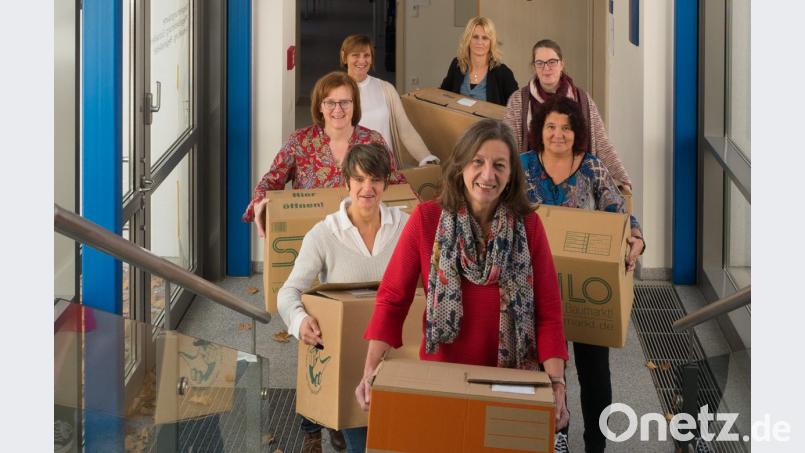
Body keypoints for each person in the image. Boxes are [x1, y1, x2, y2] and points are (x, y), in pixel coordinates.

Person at [355, 119, 571, 449]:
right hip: (445, 379)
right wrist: (370, 370)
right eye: (478, 162)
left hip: (509, 379)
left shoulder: (529, 226)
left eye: (499, 165)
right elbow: (393, 298)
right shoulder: (426, 219)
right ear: (460, 166)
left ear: (511, 174)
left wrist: (557, 383)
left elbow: (549, 313)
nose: (488, 175)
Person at [521, 95, 645, 453]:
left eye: (566, 128)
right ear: (539, 130)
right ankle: (556, 434)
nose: (558, 134)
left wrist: (636, 237)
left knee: (595, 376)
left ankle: (596, 443)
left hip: (584, 288)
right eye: (551, 127)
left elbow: (619, 212)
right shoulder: (522, 166)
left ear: (577, 133)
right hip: (536, 286)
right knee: (545, 372)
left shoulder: (592, 167)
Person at [277, 144, 407, 453]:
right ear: (346, 181)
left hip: (398, 357)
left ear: (386, 184)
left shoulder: (405, 227)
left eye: (375, 180)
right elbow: (288, 292)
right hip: (349, 365)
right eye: (359, 179)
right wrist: (299, 320)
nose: (367, 188)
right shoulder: (324, 234)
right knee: (362, 447)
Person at [242, 71, 405, 237]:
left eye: (345, 102)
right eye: (330, 102)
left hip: (362, 235)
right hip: (311, 234)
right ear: (320, 106)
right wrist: (260, 204)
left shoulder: (373, 140)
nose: (338, 109)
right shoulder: (300, 141)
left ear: (355, 105)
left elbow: (398, 184)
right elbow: (270, 181)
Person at [504, 38, 633, 190]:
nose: (546, 68)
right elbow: (507, 145)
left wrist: (623, 178)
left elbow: (602, 144)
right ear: (534, 67)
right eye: (540, 63)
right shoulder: (519, 100)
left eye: (552, 62)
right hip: (533, 185)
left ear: (562, 64)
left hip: (577, 185)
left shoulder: (582, 99)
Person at [340, 34, 439, 167]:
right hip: (350, 169)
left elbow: (405, 130)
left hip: (384, 167)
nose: (362, 61)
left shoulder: (386, 88)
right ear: (344, 56)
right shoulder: (335, 91)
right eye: (355, 55)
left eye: (367, 55)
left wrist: (426, 157)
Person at [439, 17, 518, 106]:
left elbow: (518, 108)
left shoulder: (503, 73)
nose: (479, 42)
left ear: (491, 42)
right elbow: (442, 96)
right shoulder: (457, 64)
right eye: (475, 37)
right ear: (468, 40)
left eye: (485, 38)